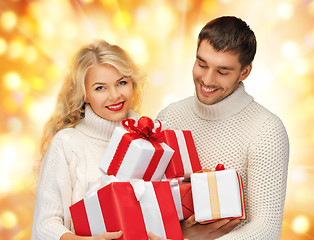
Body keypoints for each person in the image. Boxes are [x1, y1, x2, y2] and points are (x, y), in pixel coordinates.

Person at [157, 16, 289, 239]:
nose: (207, 80)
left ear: (244, 72)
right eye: (201, 64)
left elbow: (266, 229)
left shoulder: (266, 130)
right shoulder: (170, 115)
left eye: (223, 71)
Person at [31, 39, 154, 240]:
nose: (115, 95)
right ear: (84, 94)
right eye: (100, 88)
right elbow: (45, 225)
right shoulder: (67, 144)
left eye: (122, 83)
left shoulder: (150, 137)